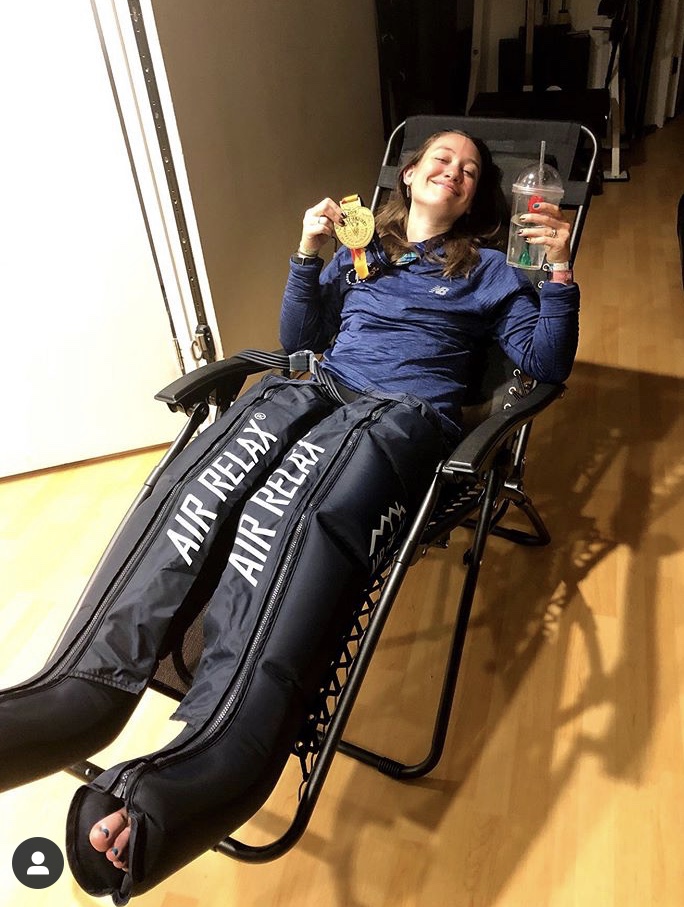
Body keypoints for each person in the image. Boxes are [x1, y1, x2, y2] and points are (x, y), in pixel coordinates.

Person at [0, 130, 577, 903]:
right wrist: (308, 254)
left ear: (476, 199)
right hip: (318, 391)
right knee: (197, 488)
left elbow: (543, 363)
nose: (455, 170)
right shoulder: (363, 247)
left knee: (295, 513)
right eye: (441, 158)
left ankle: (215, 757)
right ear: (408, 176)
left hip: (403, 416)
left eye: (470, 171)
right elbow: (299, 340)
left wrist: (560, 273)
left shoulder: (491, 272)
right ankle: (77, 690)